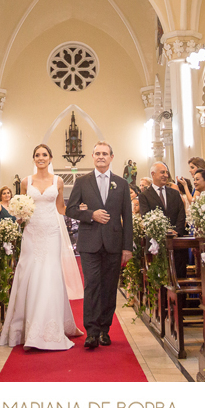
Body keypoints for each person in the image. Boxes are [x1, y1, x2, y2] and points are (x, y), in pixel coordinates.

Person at [0, 144, 84, 350]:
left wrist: (81, 210)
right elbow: (22, 206)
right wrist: (19, 217)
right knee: (31, 274)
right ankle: (27, 327)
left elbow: (61, 208)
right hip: (32, 232)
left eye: (44, 155)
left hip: (52, 231)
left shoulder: (59, 181)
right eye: (37, 155)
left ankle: (49, 327)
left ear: (50, 158)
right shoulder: (26, 181)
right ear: (33, 159)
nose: (41, 158)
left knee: (50, 274)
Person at [66, 141, 133, 349]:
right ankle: (91, 332)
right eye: (97, 153)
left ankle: (105, 329)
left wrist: (127, 247)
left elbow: (127, 217)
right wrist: (90, 215)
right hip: (89, 242)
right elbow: (71, 209)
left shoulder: (121, 184)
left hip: (113, 243)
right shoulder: (82, 181)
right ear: (93, 157)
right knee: (92, 285)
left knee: (109, 287)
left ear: (111, 157)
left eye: (105, 153)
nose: (101, 156)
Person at [139, 161, 188, 274]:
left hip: (176, 243)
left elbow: (181, 214)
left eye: (166, 172)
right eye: (162, 172)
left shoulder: (174, 194)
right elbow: (146, 216)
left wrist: (176, 232)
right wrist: (162, 233)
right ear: (153, 174)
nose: (166, 175)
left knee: (179, 275)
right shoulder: (144, 196)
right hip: (156, 243)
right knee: (159, 279)